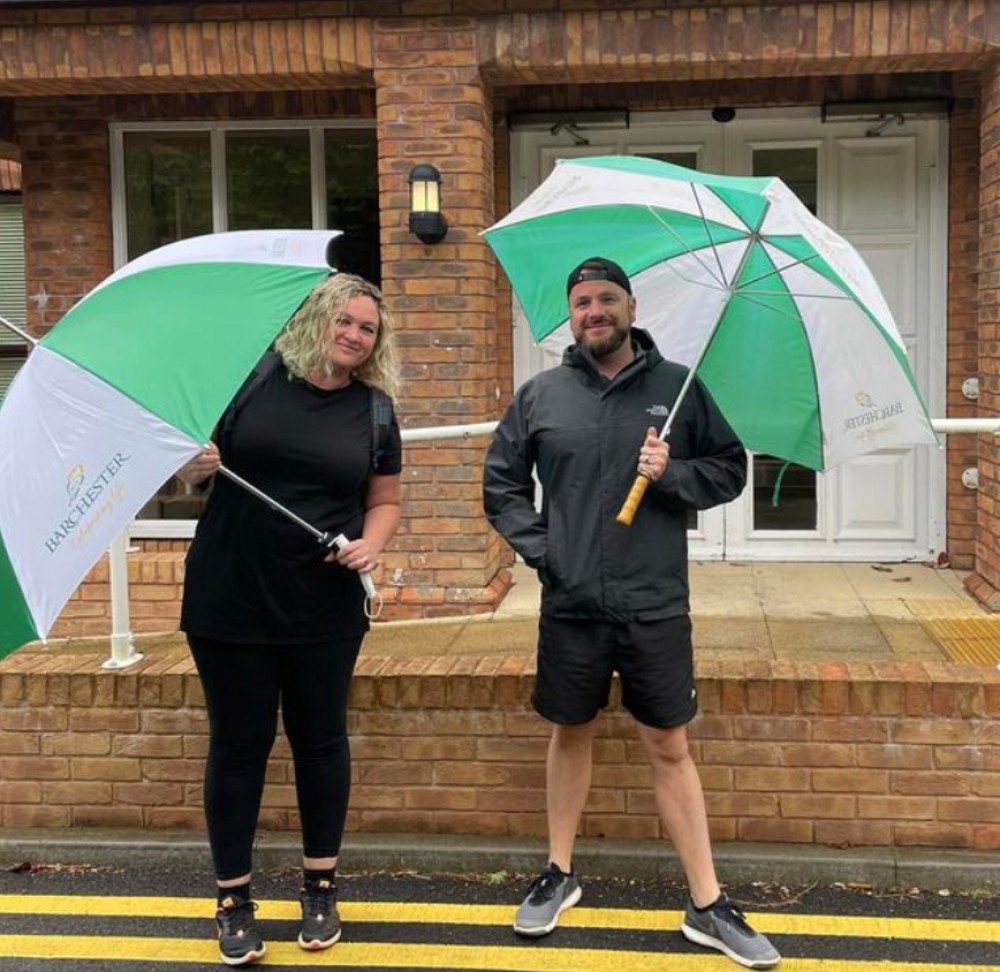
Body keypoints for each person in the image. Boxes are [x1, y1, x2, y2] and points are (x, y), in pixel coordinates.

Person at [483, 257, 781, 970]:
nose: (595, 311)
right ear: (572, 313)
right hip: (572, 602)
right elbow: (502, 485)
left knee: (669, 746)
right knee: (570, 730)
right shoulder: (541, 396)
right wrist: (544, 551)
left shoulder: (678, 389)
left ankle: (706, 903)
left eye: (607, 299)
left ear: (631, 306)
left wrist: (670, 474)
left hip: (654, 604)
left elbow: (730, 469)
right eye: (582, 301)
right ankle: (559, 872)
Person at [176, 273, 403, 967]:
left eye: (367, 329)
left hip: (324, 606)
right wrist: (198, 463)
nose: (354, 336)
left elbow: (386, 498)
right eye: (345, 321)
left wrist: (373, 542)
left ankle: (320, 887)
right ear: (318, 318)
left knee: (321, 744)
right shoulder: (250, 380)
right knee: (238, 746)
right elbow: (187, 472)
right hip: (230, 598)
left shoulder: (375, 411)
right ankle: (233, 899)